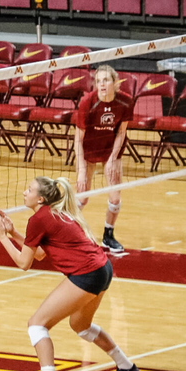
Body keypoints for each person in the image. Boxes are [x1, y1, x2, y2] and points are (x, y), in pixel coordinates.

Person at [0, 177, 143, 371]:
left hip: (87, 274)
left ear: (40, 198)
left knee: (36, 325)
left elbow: (23, 262)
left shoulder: (39, 219)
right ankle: (126, 368)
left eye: (29, 190)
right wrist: (12, 232)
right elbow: (38, 254)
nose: (24, 192)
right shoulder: (54, 213)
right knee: (81, 326)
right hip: (103, 269)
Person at [73, 65, 132, 255]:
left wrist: (113, 158)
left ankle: (108, 235)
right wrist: (81, 170)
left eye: (106, 80)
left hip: (110, 150)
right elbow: (78, 138)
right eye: (98, 81)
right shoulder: (87, 102)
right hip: (88, 149)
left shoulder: (125, 102)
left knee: (115, 198)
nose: (102, 85)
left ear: (115, 83)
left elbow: (121, 132)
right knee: (82, 196)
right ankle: (68, 234)